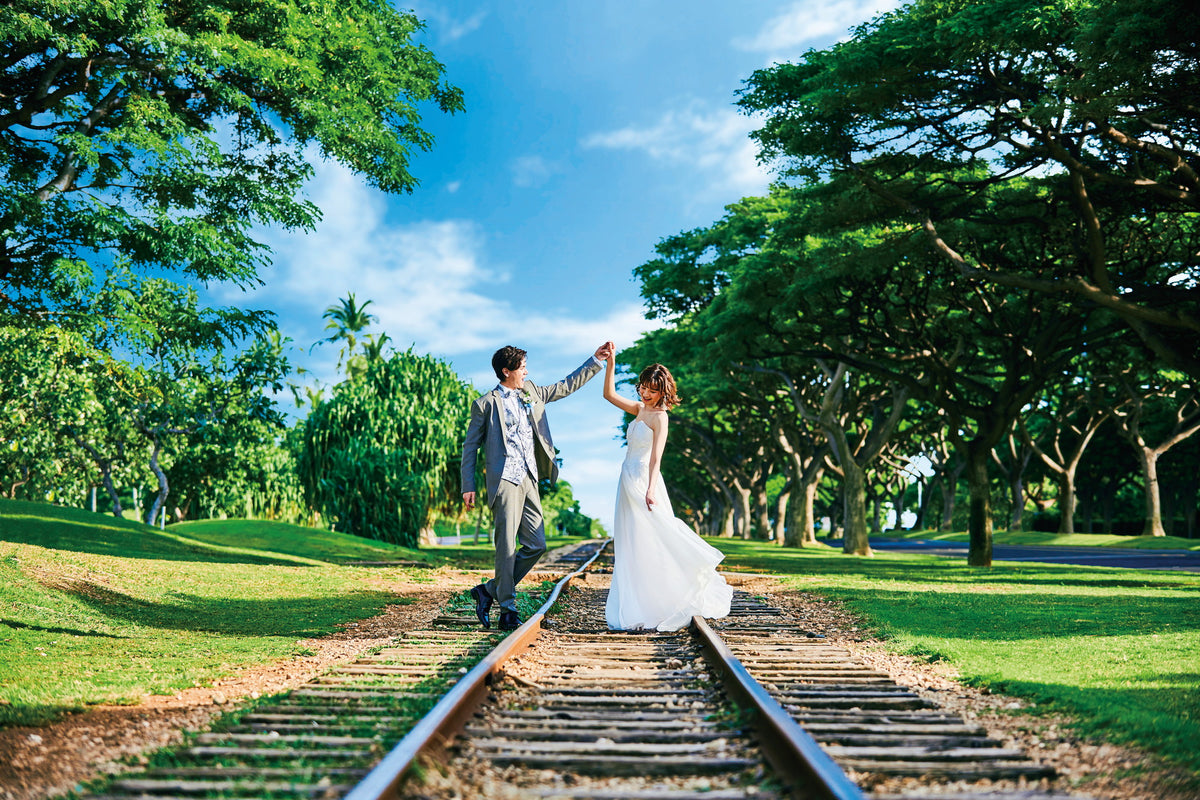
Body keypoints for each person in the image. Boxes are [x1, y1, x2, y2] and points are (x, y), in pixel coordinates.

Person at [461, 342, 613, 631]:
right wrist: (467, 484)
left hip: (529, 477)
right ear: (506, 372)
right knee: (506, 545)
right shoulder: (485, 404)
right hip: (504, 479)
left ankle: (488, 591)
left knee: (536, 544)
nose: (527, 371)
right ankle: (507, 609)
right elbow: (471, 447)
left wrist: (595, 360)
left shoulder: (532, 392)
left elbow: (566, 386)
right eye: (522, 367)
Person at [601, 355, 732, 631]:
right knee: (630, 544)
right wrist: (610, 362)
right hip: (625, 480)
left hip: (644, 482)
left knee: (654, 538)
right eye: (642, 387)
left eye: (651, 389)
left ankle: (668, 595)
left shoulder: (661, 417)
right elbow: (608, 394)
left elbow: (656, 458)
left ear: (663, 391)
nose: (645, 393)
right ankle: (638, 604)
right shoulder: (638, 409)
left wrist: (650, 489)